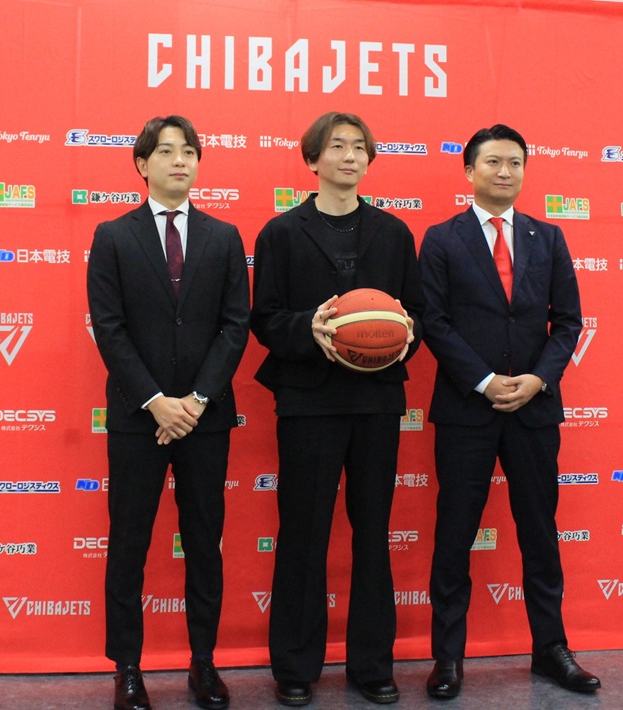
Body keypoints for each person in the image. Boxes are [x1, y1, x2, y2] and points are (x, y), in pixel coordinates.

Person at [417, 124, 600, 699]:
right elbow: (434, 322)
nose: (505, 171)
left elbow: (567, 322)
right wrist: (484, 380)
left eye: (515, 162)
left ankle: (551, 649)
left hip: (534, 409)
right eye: (493, 161)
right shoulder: (441, 239)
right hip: (466, 410)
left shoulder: (549, 237)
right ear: (469, 170)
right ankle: (448, 656)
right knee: (455, 534)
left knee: (540, 532)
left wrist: (538, 379)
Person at [250, 111, 424, 706]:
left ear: (369, 159)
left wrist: (400, 337)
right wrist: (311, 329)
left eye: (359, 147)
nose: (350, 156)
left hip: (377, 402)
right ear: (312, 159)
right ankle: (295, 667)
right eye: (337, 146)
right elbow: (265, 318)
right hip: (308, 401)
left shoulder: (394, 233)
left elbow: (415, 316)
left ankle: (372, 665)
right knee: (303, 533)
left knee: (373, 532)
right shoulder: (280, 233)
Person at [87, 115, 250, 710]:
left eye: (189, 152)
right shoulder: (113, 236)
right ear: (142, 164)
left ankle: (203, 663)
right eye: (166, 151)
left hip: (206, 417)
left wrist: (197, 400)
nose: (180, 161)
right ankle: (127, 668)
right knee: (129, 542)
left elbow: (235, 325)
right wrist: (157, 402)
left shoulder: (224, 236)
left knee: (204, 541)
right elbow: (109, 328)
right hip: (139, 418)